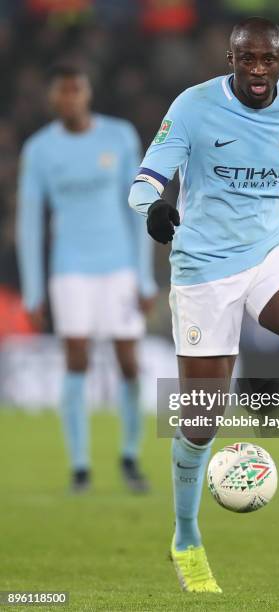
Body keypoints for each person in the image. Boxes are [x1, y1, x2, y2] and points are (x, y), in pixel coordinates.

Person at [129, 17, 279, 593]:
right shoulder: (192, 106)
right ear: (230, 59)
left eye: (269, 60)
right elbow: (145, 179)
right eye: (247, 59)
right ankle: (186, 538)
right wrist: (154, 209)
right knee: (202, 421)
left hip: (267, 248)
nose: (258, 71)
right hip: (204, 267)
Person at [17, 64, 157, 493]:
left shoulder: (119, 136)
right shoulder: (40, 150)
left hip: (118, 267)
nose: (69, 99)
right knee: (75, 359)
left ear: (87, 95)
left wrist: (145, 276)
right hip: (69, 267)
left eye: (76, 91)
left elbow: (138, 206)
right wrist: (34, 289)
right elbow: (29, 221)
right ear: (53, 99)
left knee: (128, 362)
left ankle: (130, 457)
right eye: (62, 93)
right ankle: (80, 466)